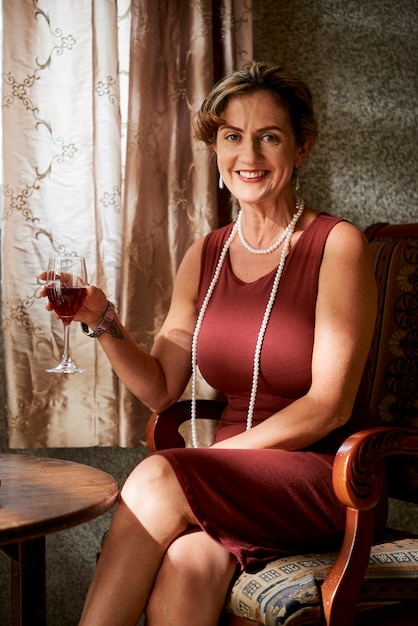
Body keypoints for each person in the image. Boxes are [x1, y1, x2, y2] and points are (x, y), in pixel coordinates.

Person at [42, 61, 387, 626]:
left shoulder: (336, 244)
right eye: (232, 136)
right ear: (217, 149)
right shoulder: (205, 253)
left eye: (268, 137)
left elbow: (330, 405)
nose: (248, 155)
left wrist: (205, 459)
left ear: (301, 149)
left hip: (323, 478)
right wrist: (101, 321)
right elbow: (160, 389)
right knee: (187, 564)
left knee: (157, 473)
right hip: (219, 478)